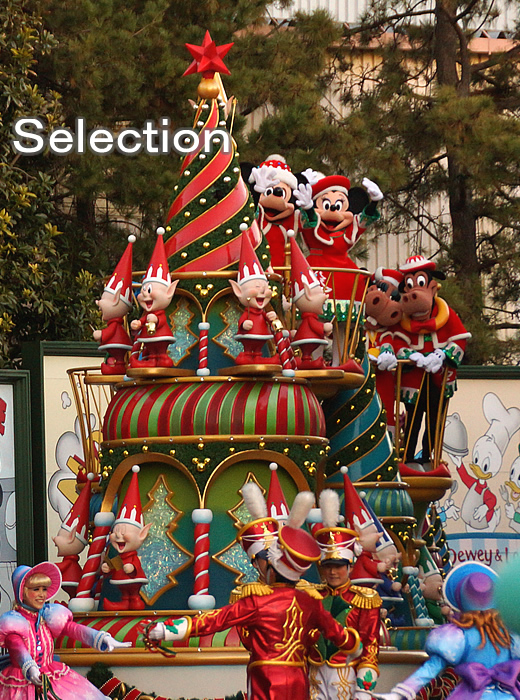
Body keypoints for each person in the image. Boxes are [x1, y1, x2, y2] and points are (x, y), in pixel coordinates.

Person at [147, 492, 362, 700]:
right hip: (298, 677)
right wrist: (353, 644)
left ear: (272, 568)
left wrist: (165, 630)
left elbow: (214, 620)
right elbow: (341, 637)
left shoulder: (257, 602)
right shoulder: (311, 603)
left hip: (266, 678)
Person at [375, 562, 520, 700]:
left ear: (460, 600)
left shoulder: (458, 636)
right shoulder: (510, 635)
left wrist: (399, 693)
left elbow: (431, 669)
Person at [0, 562, 129, 699]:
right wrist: (30, 668)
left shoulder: (49, 616)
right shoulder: (14, 623)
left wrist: (102, 638)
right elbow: (17, 647)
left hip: (52, 676)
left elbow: (74, 629)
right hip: (22, 682)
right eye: (36, 589)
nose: (42, 595)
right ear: (23, 592)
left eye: (44, 589)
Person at [310, 489, 382, 700]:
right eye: (328, 566)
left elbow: (370, 646)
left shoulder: (364, 599)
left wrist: (364, 689)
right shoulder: (312, 596)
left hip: (346, 673)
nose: (333, 572)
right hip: (313, 673)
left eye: (339, 566)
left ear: (350, 566)